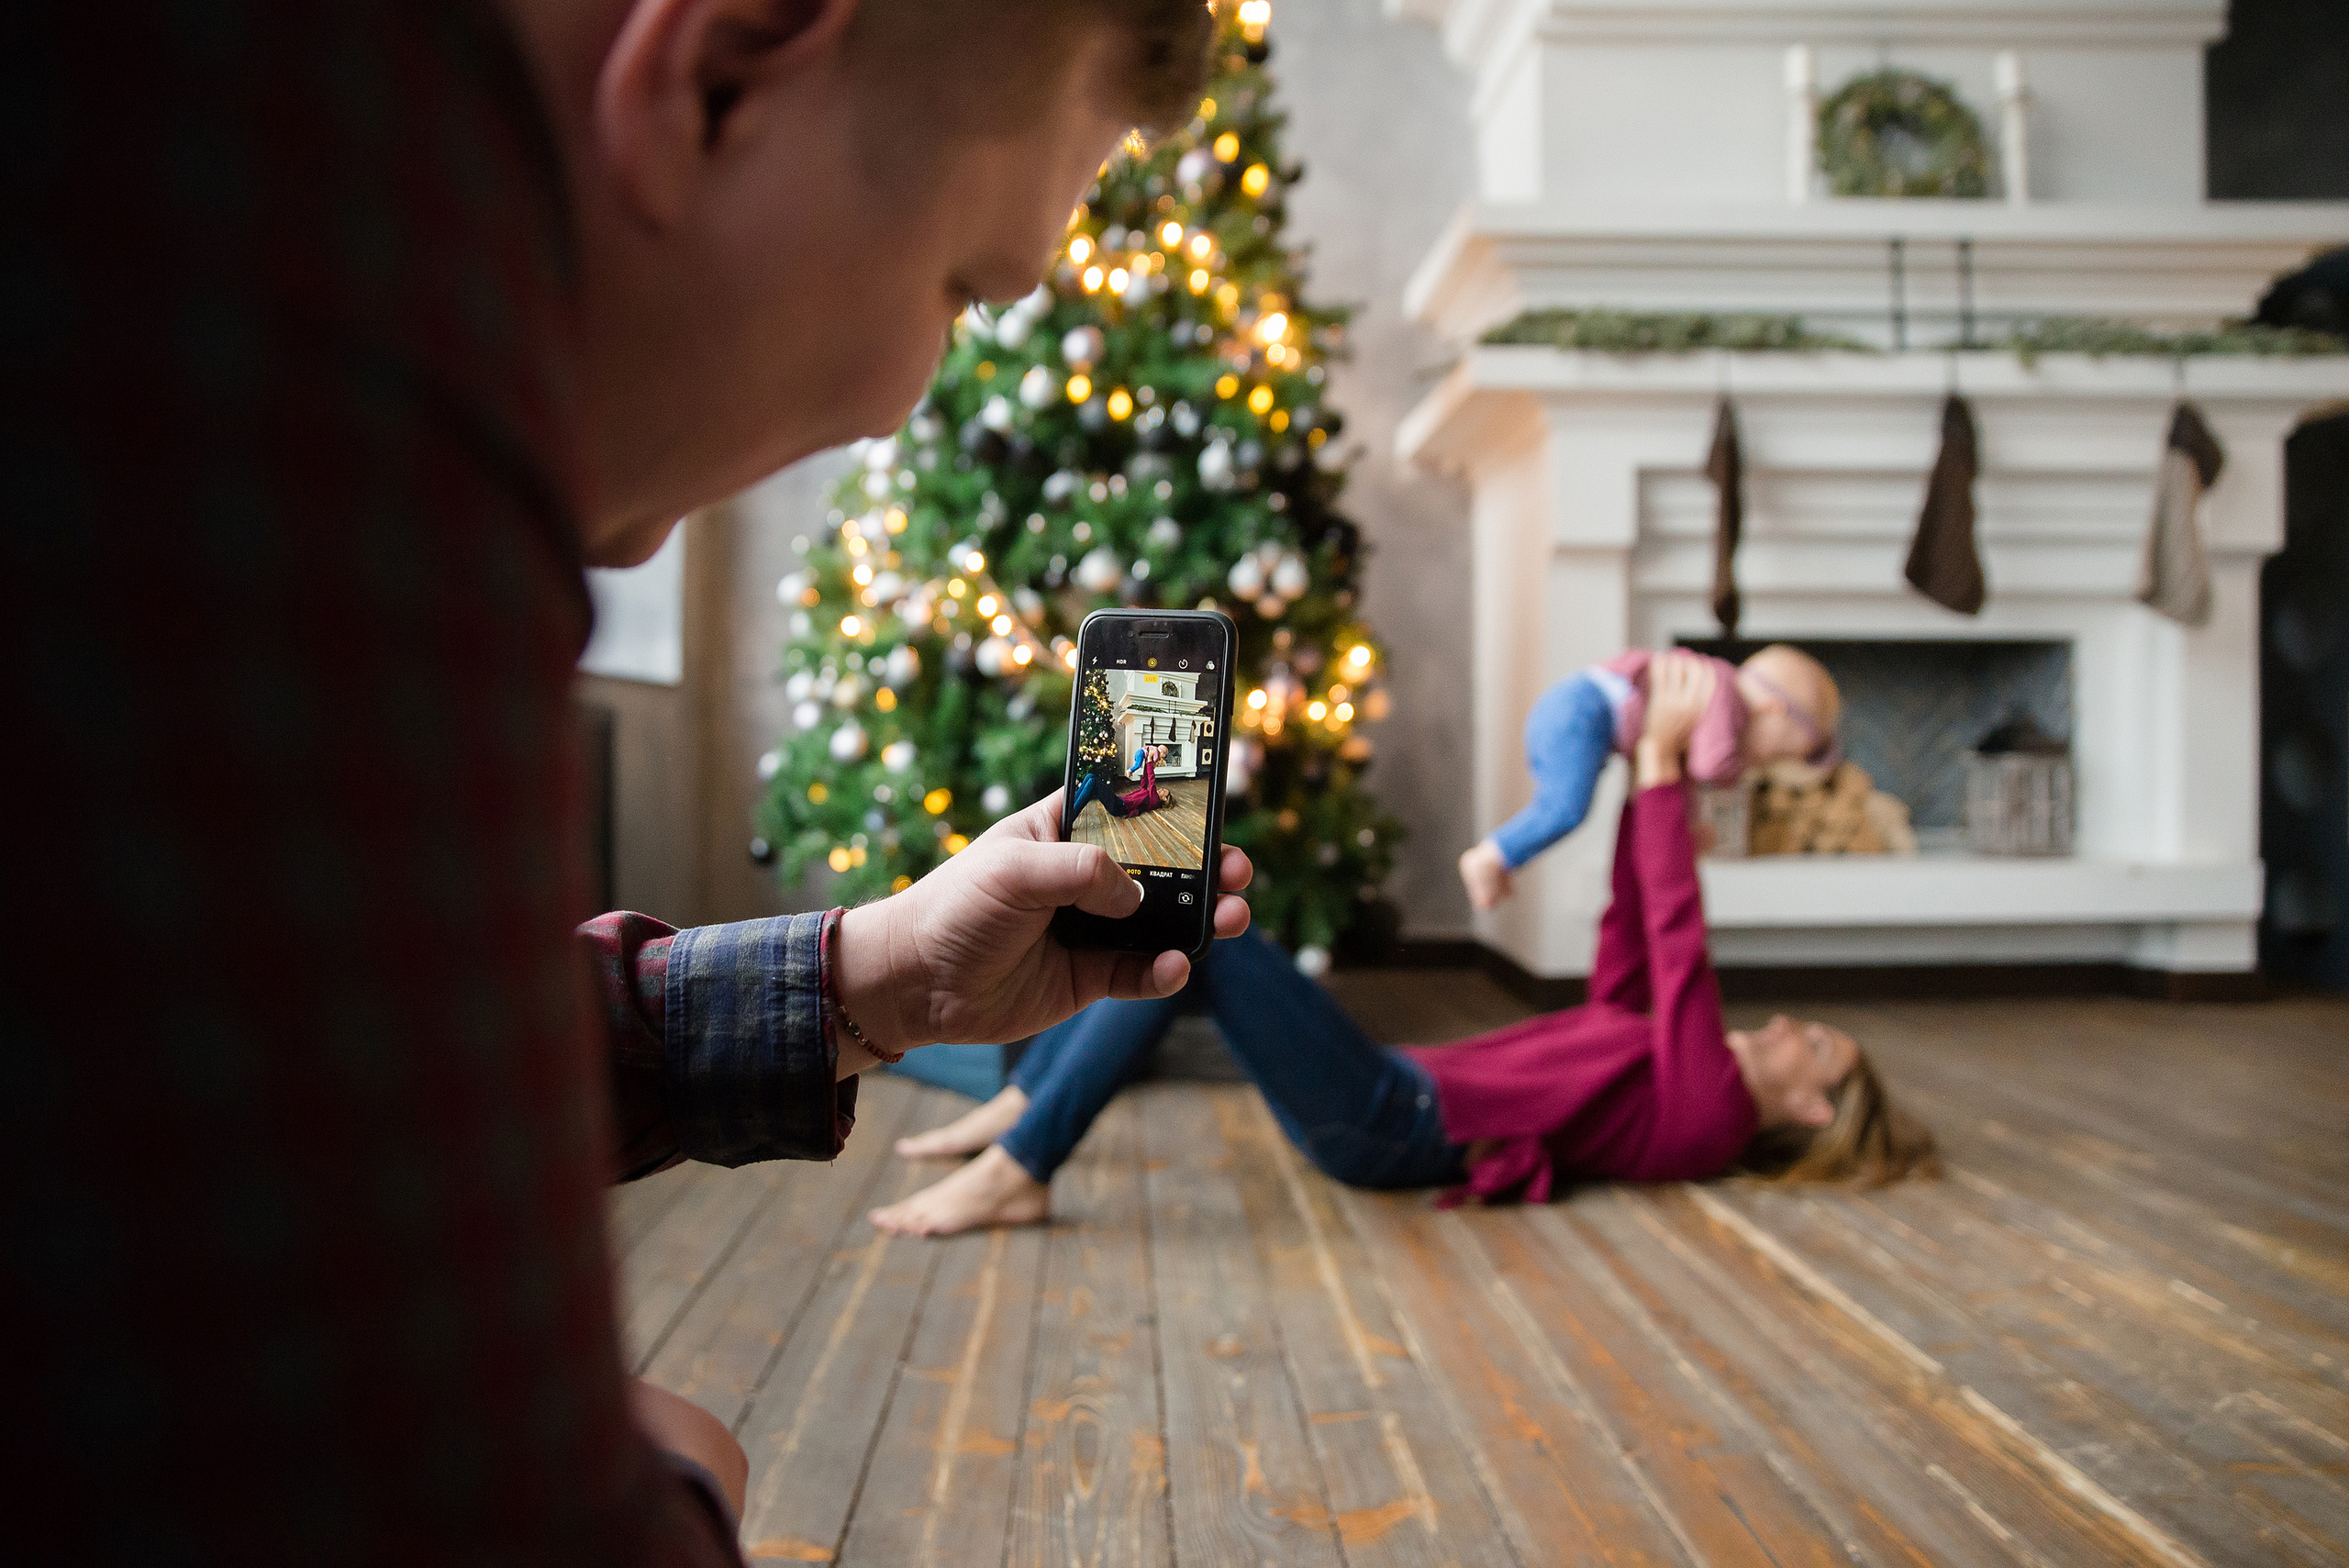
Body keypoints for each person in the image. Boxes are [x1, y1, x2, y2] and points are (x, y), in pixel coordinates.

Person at [2, 1, 1235, 1562]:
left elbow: (316, 1043)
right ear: (721, 71)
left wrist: (872, 979)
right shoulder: (300, 325)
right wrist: (690, 1488)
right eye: (961, 293)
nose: (897, 401)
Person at [873, 654, 1936, 1240]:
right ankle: (1031, 1106)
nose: (1793, 1026)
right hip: (1397, 1092)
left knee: (1206, 942)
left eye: (1818, 1051)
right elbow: (1634, 934)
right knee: (1191, 944)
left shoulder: (1707, 1116)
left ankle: (1023, 1155)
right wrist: (1636, 774)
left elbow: (1680, 945)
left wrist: (1663, 769)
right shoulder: (1663, 1057)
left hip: (1393, 1126)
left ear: (1807, 1112)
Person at [1458, 643, 1843, 912]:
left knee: (1556, 807)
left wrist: (1691, 824)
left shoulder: (1714, 700)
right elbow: (1708, 767)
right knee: (1565, 809)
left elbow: (1682, 771)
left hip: (1571, 710)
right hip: (1582, 712)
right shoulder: (1724, 693)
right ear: (1772, 710)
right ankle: (1489, 856)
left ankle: (1503, 859)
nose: (1763, 765)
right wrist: (1735, 774)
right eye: (1775, 755)